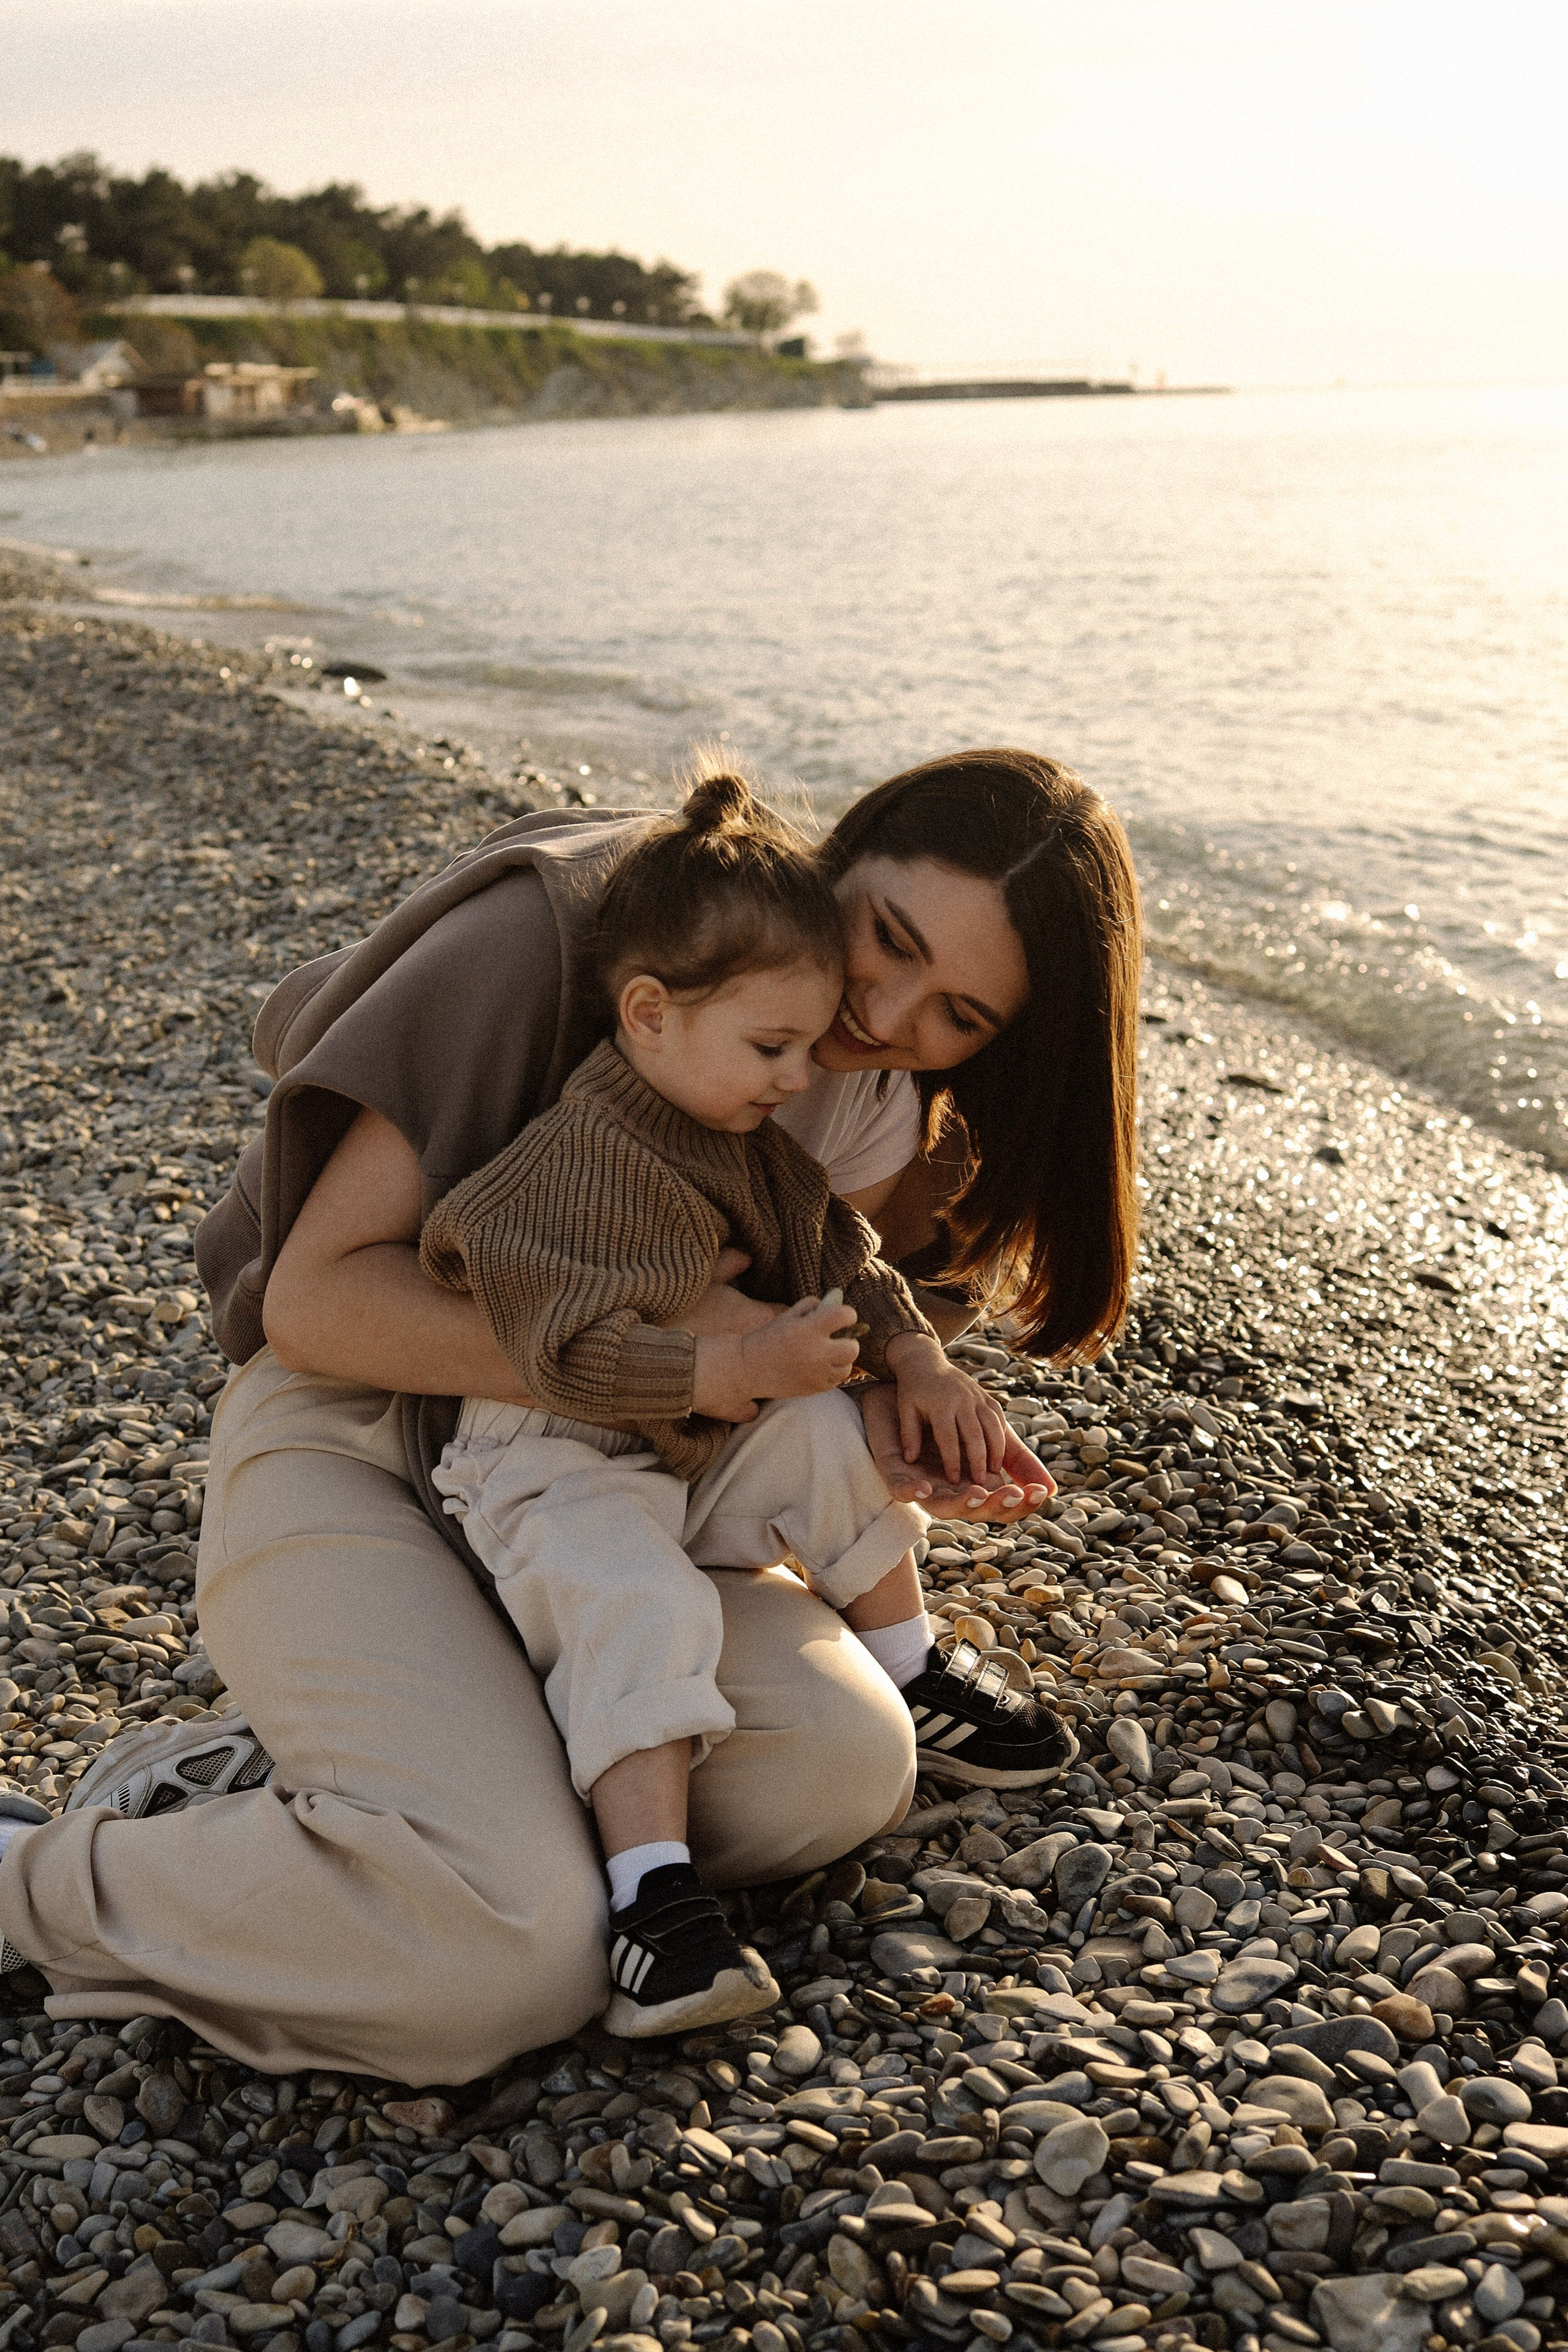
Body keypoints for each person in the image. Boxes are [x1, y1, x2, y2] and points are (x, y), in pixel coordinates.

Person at [0, 748, 1140, 2083]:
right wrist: (669, 1366)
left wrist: (877, 1402)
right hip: (366, 1428)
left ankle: (381, 1779)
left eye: (957, 1015)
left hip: (616, 1484)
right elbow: (311, 1302)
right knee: (508, 1958)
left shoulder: (878, 1104)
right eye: (883, 941)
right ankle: (31, 1880)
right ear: (846, 844)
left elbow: (792, 1306)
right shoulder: (569, 933)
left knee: (839, 1764)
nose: (883, 1015)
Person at [420, 771, 1046, 2036]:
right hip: (545, 1462)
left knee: (831, 1440)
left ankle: (906, 1661)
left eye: (806, 1050)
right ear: (647, 1017)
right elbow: (545, 1346)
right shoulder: (574, 1155)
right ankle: (653, 1902)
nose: (797, 1073)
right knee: (639, 1603)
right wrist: (717, 1369)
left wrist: (915, 1364)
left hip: (686, 1447)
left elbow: (844, 1257)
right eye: (774, 1050)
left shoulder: (749, 1134)